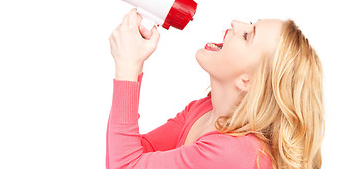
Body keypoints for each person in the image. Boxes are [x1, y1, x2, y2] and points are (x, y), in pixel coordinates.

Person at [106, 9, 324, 169]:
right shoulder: (201, 111)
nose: (236, 23)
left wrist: (128, 67)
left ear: (248, 81)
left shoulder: (233, 153)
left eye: (248, 35)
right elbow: (130, 155)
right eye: (249, 23)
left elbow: (123, 164)